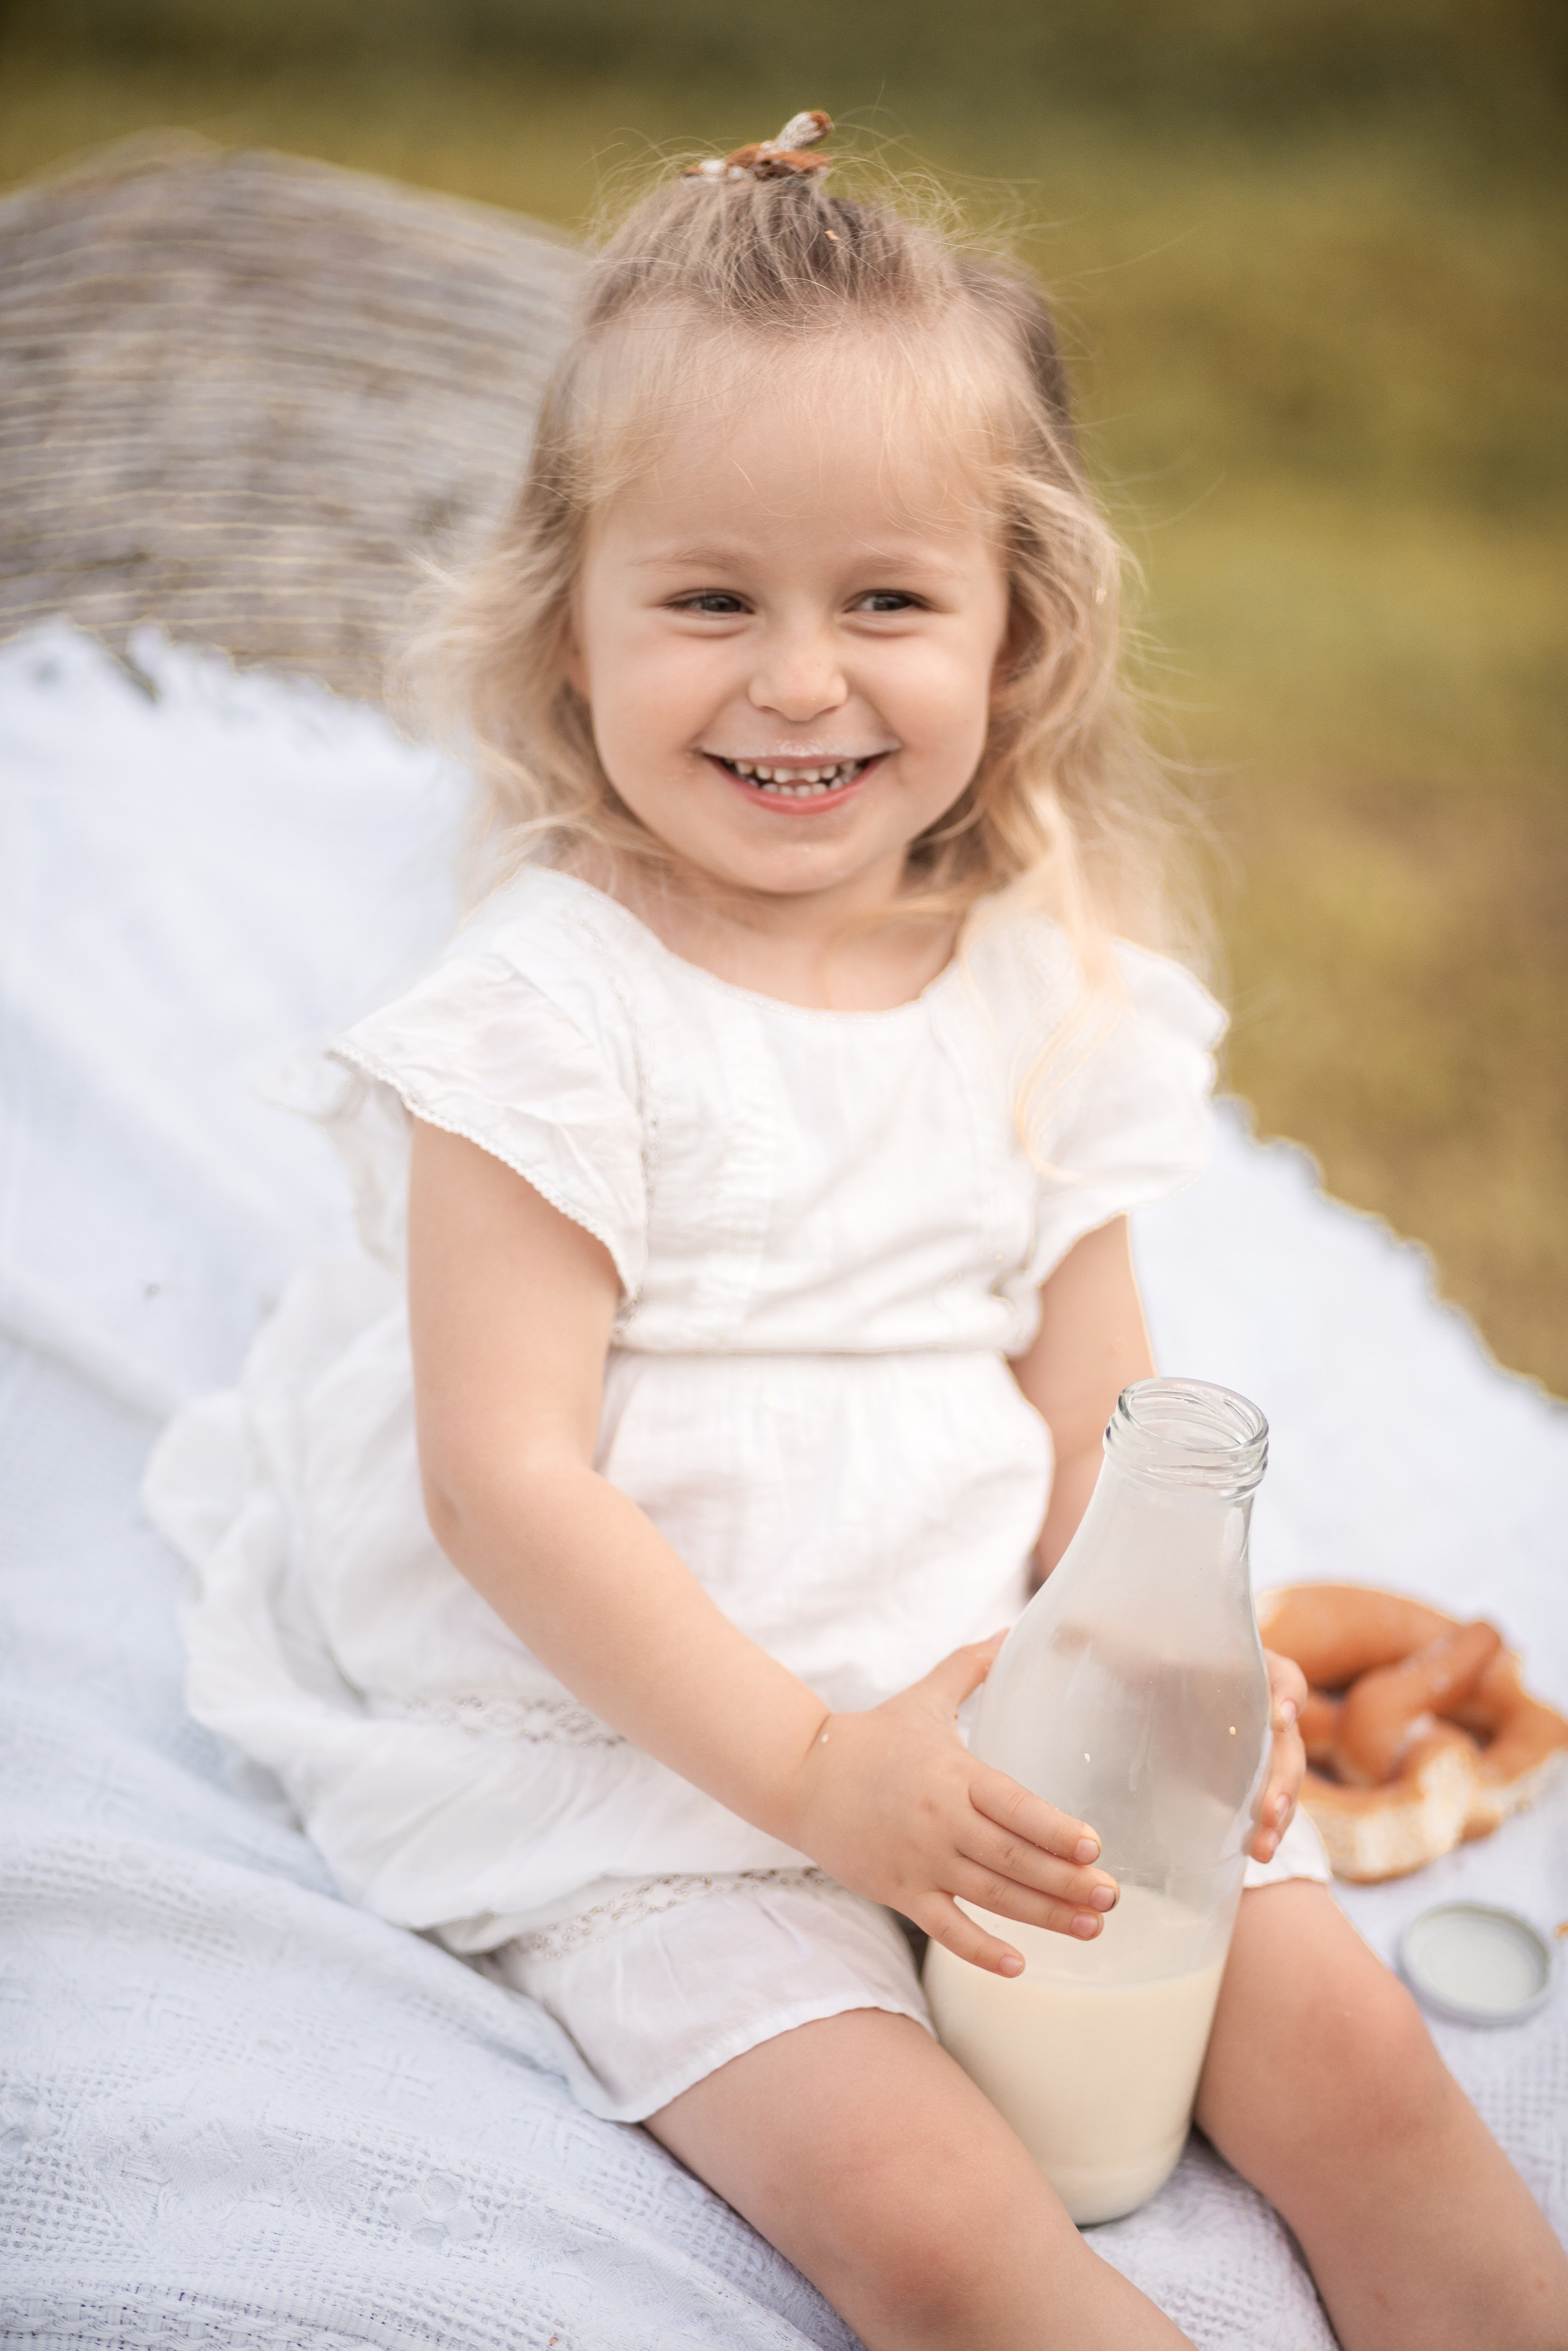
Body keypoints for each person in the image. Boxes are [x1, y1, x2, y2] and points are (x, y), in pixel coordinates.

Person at [145, 122, 1568, 2351]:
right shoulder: (546, 1014)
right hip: (656, 1748)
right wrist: (819, 1784)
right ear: (568, 624)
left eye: (885, 600)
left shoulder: (1038, 982)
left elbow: (1100, 1407)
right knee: (930, 2223)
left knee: (1366, 2068)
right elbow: (497, 1476)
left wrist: (1182, 1671)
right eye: (710, 599)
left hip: (1003, 1709)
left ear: (1016, 638)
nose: (797, 681)